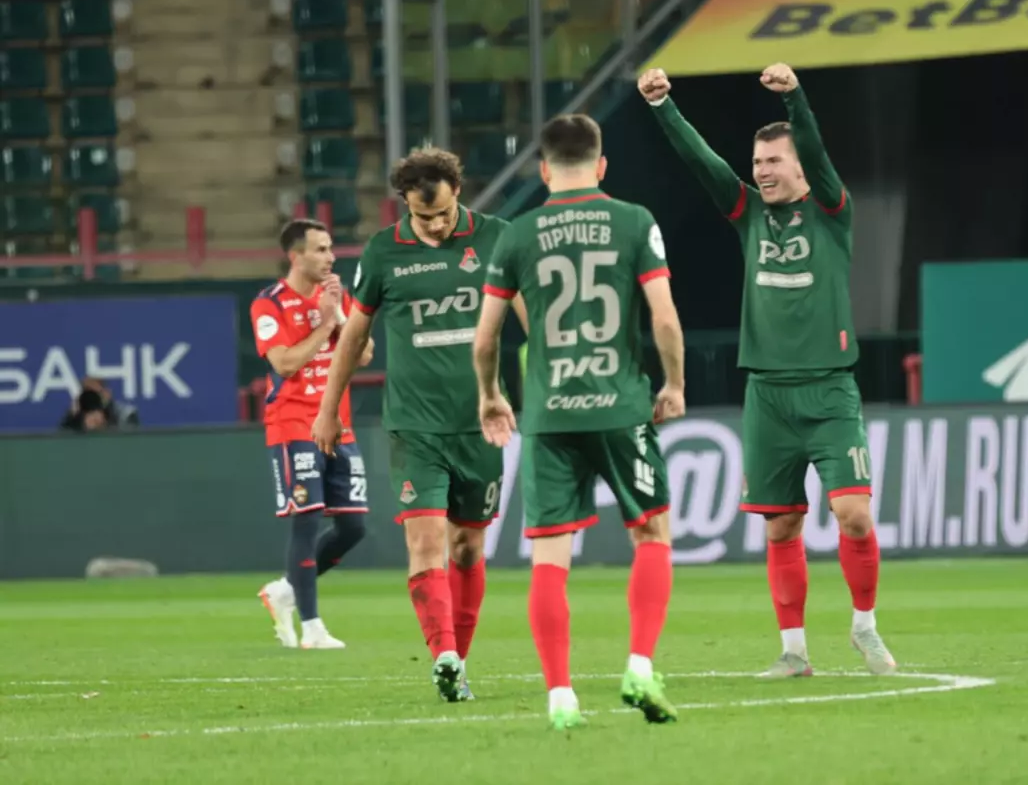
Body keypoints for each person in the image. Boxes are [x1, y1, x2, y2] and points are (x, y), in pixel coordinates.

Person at [641, 63, 894, 678]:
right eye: (757, 163)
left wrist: (796, 99)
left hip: (830, 391)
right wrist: (663, 107)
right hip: (767, 395)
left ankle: (865, 626)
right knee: (781, 526)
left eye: (775, 161)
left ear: (802, 168)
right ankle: (794, 651)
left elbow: (816, 149)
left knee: (854, 514)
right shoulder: (748, 214)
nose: (762, 171)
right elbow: (703, 163)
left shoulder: (831, 209)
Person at [473, 113, 686, 731]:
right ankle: (640, 666)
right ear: (602, 164)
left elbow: (485, 339)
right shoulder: (634, 221)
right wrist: (673, 384)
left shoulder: (517, 234)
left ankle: (560, 695)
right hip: (620, 407)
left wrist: (490, 396)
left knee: (550, 557)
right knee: (652, 533)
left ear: (543, 170)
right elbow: (663, 317)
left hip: (549, 414)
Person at [311, 145, 527, 702]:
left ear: (460, 195)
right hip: (414, 426)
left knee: (468, 549)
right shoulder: (384, 251)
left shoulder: (499, 238)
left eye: (443, 214)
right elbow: (354, 336)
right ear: (404, 204)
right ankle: (444, 656)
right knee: (425, 541)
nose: (434, 225)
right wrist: (329, 409)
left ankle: (459, 665)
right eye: (422, 215)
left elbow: (535, 321)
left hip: (480, 423)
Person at [251, 219, 373, 650]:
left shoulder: (336, 297)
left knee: (353, 527)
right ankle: (313, 627)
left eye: (330, 248)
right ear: (295, 256)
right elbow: (284, 363)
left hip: (337, 425)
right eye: (320, 249)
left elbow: (365, 353)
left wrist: (338, 315)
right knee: (306, 522)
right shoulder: (269, 304)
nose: (330, 257)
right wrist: (322, 326)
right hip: (294, 424)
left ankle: (285, 590)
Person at [59, 377, 139, 432]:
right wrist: (72, 418)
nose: (92, 398)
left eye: (95, 393)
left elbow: (128, 444)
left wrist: (104, 425)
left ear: (106, 393)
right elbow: (62, 444)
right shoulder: (78, 415)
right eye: (88, 393)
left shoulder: (126, 414)